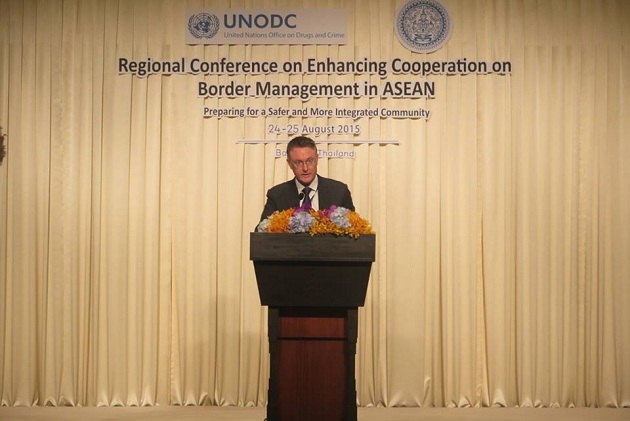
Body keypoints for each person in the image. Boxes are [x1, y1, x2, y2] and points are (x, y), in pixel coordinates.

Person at [259, 136, 355, 221]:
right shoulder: (277, 195)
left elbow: (354, 230)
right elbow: (262, 231)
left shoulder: (339, 192)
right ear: (289, 164)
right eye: (298, 163)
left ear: (317, 160)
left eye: (310, 161)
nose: (305, 168)